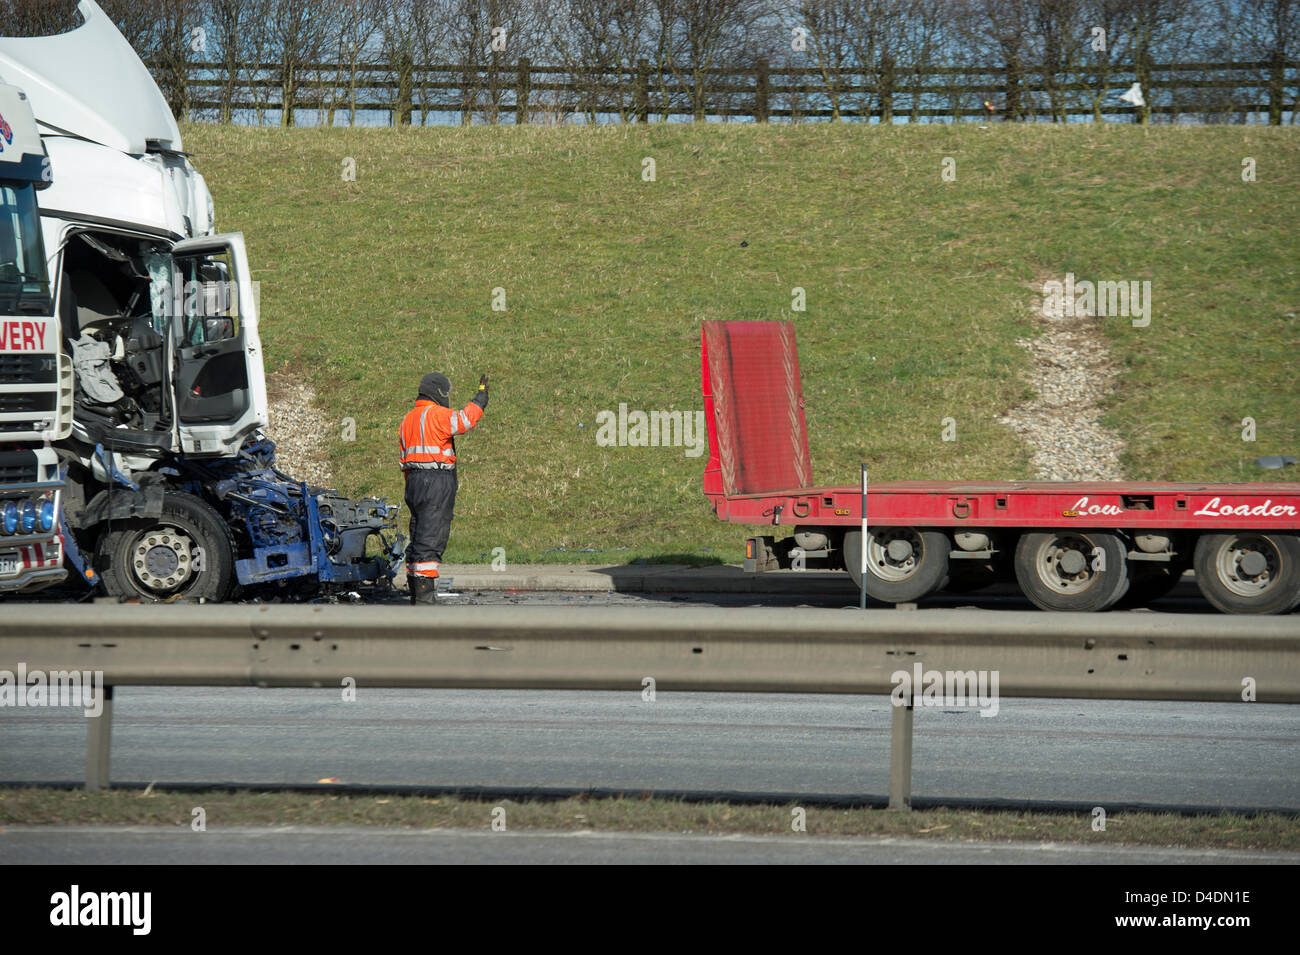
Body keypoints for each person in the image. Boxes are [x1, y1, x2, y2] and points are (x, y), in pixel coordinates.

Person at [398, 371, 488, 604]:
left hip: (414, 485)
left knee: (418, 539)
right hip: (435, 482)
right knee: (431, 539)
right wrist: (480, 398)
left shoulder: (408, 419)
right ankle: (425, 600)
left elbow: (405, 461)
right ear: (439, 392)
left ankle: (416, 593)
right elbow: (464, 420)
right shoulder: (437, 414)